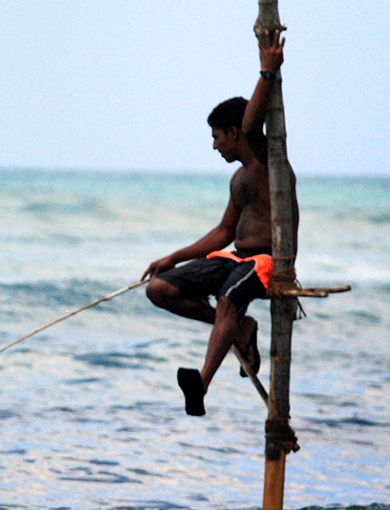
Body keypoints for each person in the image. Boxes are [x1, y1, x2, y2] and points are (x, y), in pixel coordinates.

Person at [142, 30, 287, 417]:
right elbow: (224, 232)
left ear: (235, 133)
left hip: (266, 262)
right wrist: (172, 257)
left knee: (227, 300)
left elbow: (254, 120)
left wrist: (267, 72)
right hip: (236, 259)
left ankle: (201, 384)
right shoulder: (238, 178)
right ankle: (240, 330)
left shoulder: (264, 159)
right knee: (159, 289)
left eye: (217, 137)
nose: (214, 145)